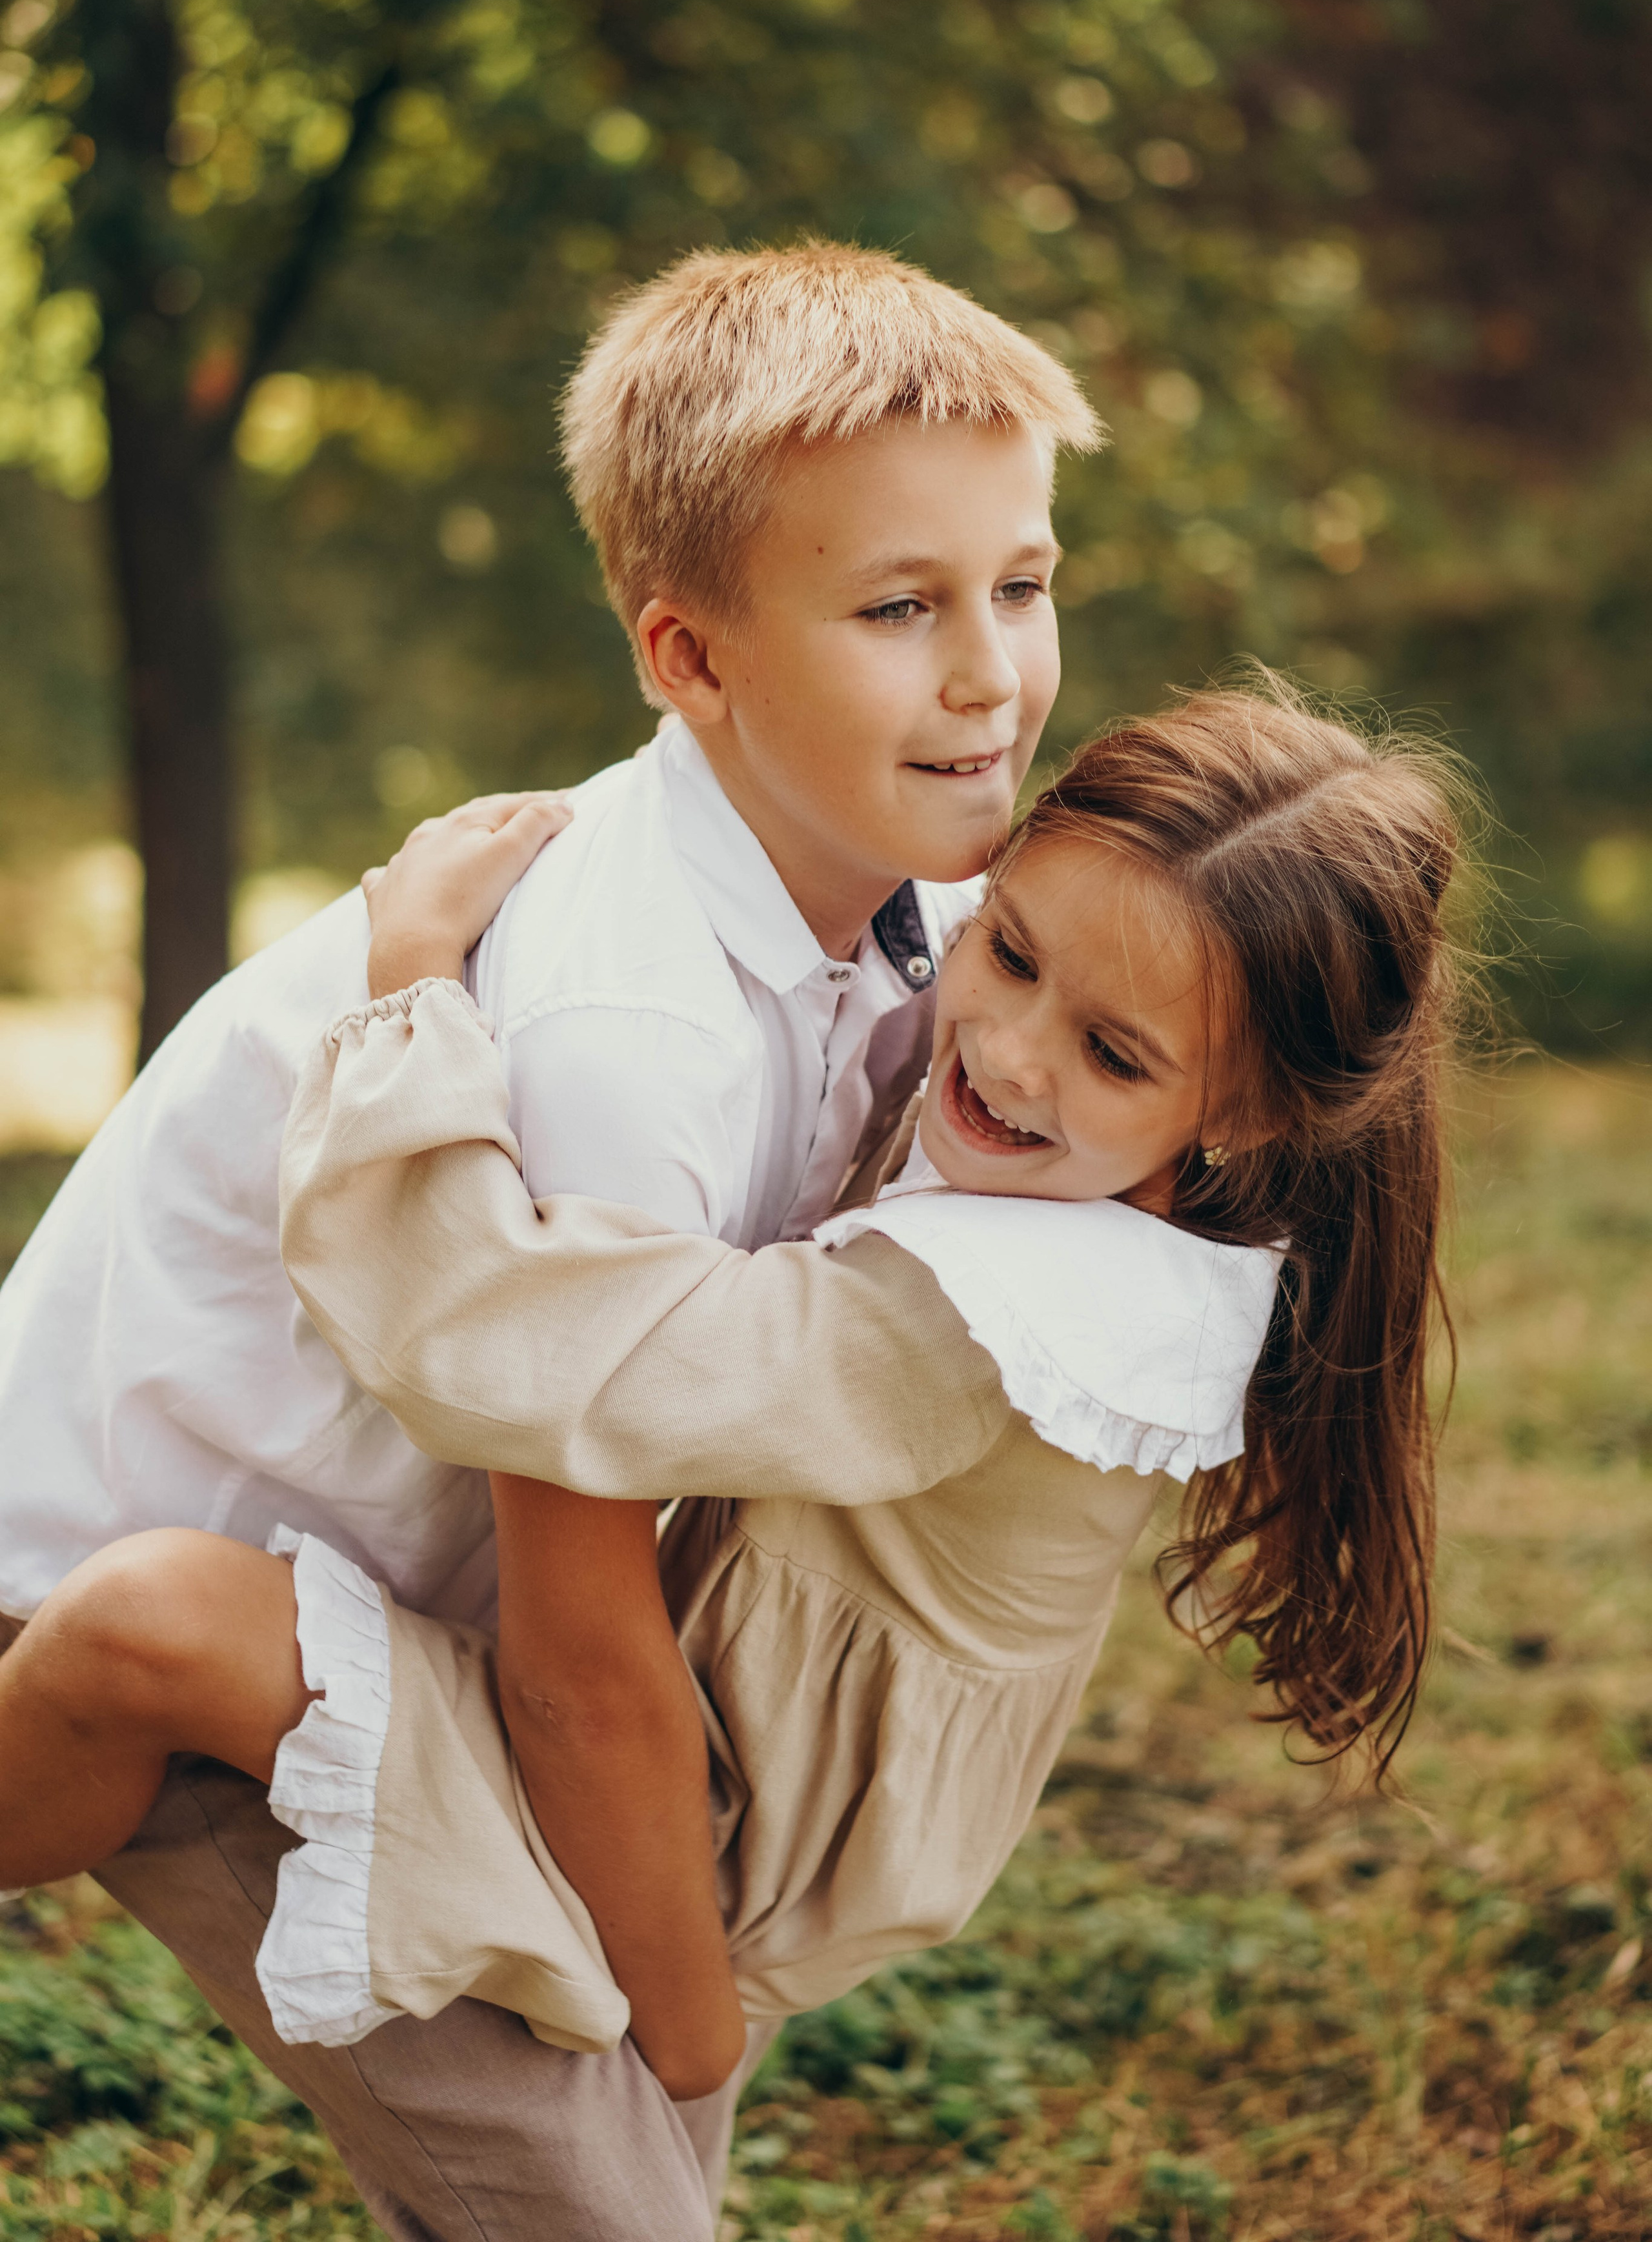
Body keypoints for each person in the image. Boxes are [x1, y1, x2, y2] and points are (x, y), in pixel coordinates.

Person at [0, 687, 1462, 2219]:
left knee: (158, 1632)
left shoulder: (995, 1315)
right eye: (1011, 950)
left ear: (1240, 1109)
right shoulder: (1103, 1170)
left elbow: (520, 1347)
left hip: (704, 1863)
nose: (1011, 1054)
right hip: (675, 1795)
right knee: (159, 1631)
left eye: (1107, 1052)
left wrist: (412, 976)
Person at [0, 243, 1097, 2237]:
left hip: (405, 1615)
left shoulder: (910, 906)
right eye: (898, 608)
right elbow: (590, 1654)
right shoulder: (631, 1027)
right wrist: (690, 2043)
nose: (988, 673)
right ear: (690, 658)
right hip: (180, 1623)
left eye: (1020, 584)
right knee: (612, 2192)